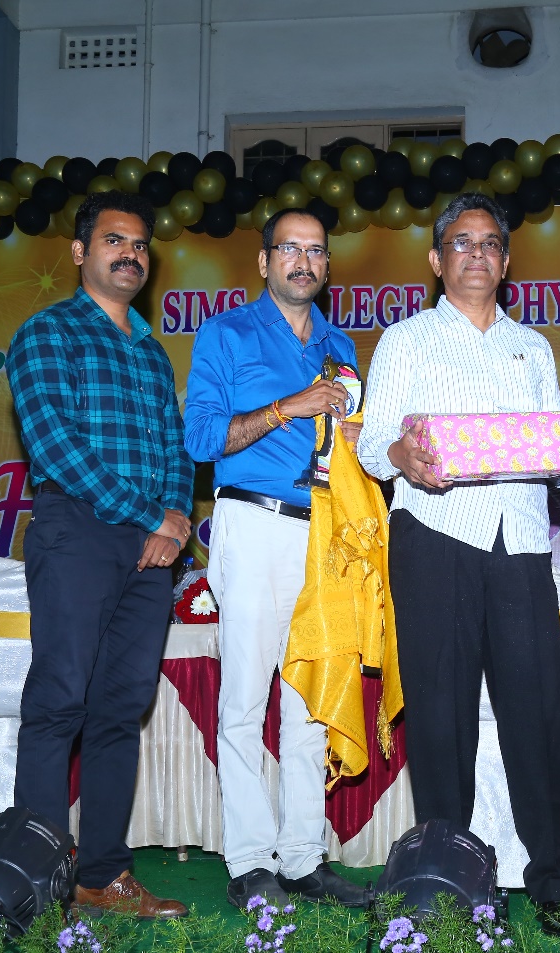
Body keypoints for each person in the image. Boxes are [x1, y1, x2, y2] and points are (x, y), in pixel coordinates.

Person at [356, 194, 560, 938]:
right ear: (437, 260)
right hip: (436, 538)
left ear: (506, 260)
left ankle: (554, 881)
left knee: (541, 714)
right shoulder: (406, 339)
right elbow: (374, 444)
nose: (476, 254)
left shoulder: (533, 347)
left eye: (490, 243)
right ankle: (442, 879)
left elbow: (556, 457)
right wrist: (405, 456)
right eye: (461, 243)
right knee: (440, 715)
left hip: (520, 543)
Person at [6, 191, 193, 918]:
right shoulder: (47, 332)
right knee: (59, 702)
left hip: (150, 549)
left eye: (141, 244)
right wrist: (151, 515)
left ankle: (101, 876)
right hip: (77, 531)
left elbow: (175, 449)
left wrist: (172, 524)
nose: (130, 254)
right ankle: (39, 879)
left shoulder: (151, 351)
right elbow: (54, 444)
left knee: (120, 708)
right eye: (115, 240)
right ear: (81, 251)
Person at [183, 207, 368, 909]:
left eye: (316, 251)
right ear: (264, 262)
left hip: (326, 531)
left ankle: (302, 858)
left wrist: (361, 439)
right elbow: (202, 440)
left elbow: (350, 442)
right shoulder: (226, 333)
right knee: (243, 701)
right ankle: (250, 861)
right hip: (255, 522)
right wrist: (291, 406)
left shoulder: (339, 344)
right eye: (289, 248)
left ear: (326, 265)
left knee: (311, 702)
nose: (303, 261)